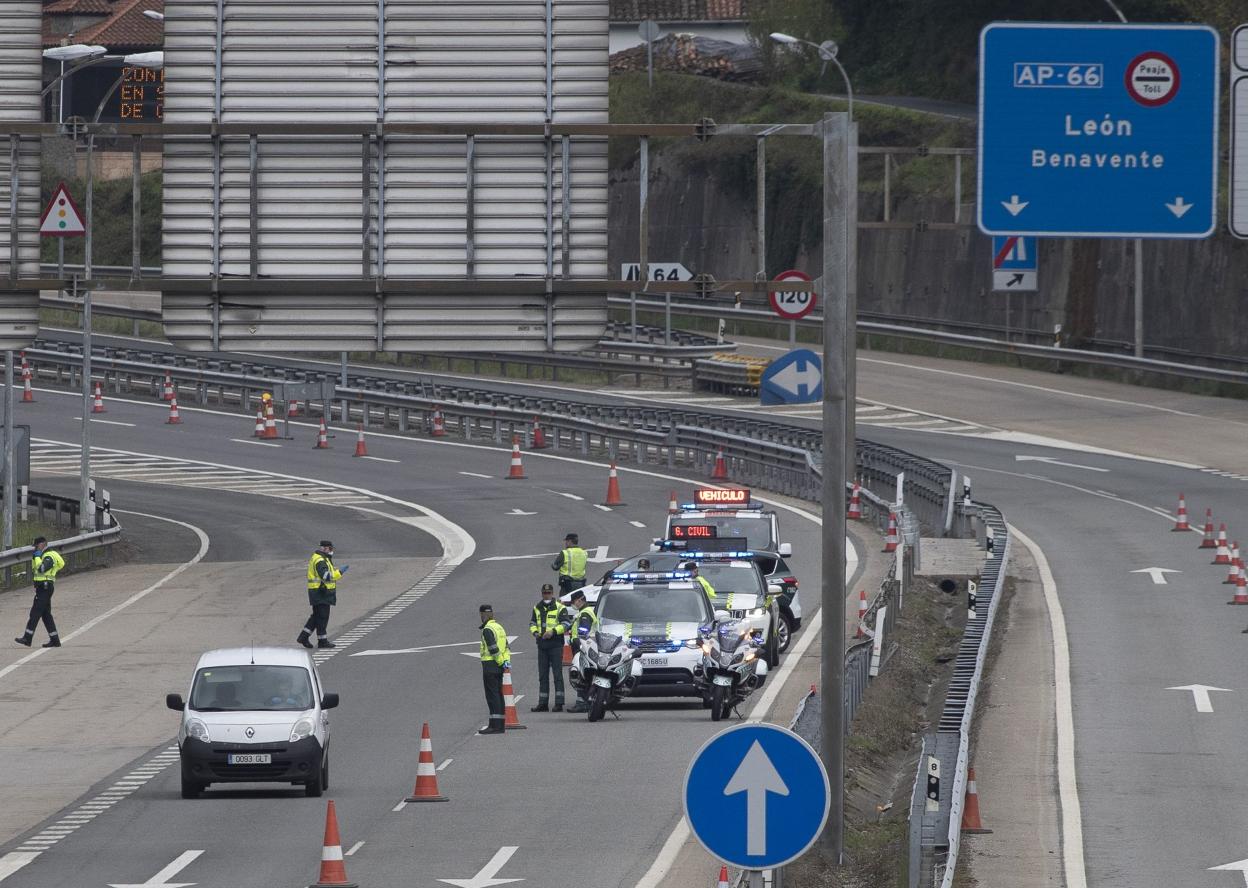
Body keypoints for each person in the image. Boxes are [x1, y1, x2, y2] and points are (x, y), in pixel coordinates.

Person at [14, 536, 66, 648]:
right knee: (46, 615)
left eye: (36, 546)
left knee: (35, 613)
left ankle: (27, 638)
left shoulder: (48, 556)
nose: (35, 549)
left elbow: (42, 569)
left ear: (42, 544)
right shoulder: (47, 554)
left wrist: (37, 557)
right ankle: (55, 640)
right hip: (43, 587)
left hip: (45, 588)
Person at [298, 540, 348, 650]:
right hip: (321, 592)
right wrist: (339, 572)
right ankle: (322, 641)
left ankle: (304, 636)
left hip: (319, 592)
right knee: (322, 617)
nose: (332, 551)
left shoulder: (321, 558)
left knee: (317, 617)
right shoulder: (320, 560)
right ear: (325, 549)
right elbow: (326, 576)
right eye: (330, 549)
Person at [529, 582, 567, 712]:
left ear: (552, 593)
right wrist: (535, 633)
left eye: (548, 593)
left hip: (556, 645)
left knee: (557, 675)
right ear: (542, 593)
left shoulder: (559, 608)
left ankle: (559, 703)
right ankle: (543, 703)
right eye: (544, 593)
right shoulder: (537, 608)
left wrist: (553, 632)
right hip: (542, 645)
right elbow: (532, 623)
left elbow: (566, 624)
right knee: (543, 676)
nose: (546, 595)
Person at [478, 604, 511, 734]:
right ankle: (500, 724)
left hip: (490, 665)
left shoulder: (487, 629)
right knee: (498, 694)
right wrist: (505, 662)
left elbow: (493, 649)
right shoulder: (499, 627)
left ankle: (495, 726)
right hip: (500, 666)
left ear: (481, 615)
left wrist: (500, 661)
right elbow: (507, 647)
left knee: (492, 696)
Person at [565, 589, 598, 713]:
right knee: (583, 674)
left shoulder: (585, 613)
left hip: (583, 647)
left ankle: (582, 702)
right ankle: (584, 701)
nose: (573, 604)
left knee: (580, 674)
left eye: (574, 602)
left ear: (580, 600)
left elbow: (583, 631)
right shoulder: (583, 612)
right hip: (585, 647)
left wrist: (576, 642)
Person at [551, 532, 588, 597]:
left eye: (566, 541)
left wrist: (552, 565)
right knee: (578, 602)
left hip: (567, 585)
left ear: (570, 541)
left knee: (563, 603)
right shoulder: (584, 553)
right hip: (581, 584)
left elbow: (555, 567)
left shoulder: (565, 553)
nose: (565, 543)